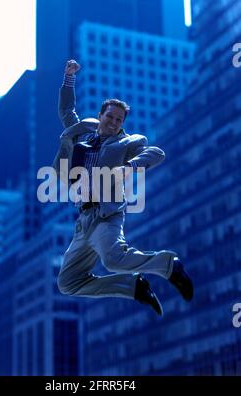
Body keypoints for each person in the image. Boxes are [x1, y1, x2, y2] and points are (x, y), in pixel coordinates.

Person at [53, 60, 193, 316]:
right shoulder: (82, 134)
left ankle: (168, 265)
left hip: (107, 213)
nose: (114, 122)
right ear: (100, 116)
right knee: (68, 282)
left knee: (113, 259)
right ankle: (133, 287)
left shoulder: (128, 142)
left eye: (119, 119)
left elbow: (156, 152)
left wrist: (129, 166)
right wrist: (69, 78)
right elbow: (66, 110)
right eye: (110, 117)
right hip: (84, 219)